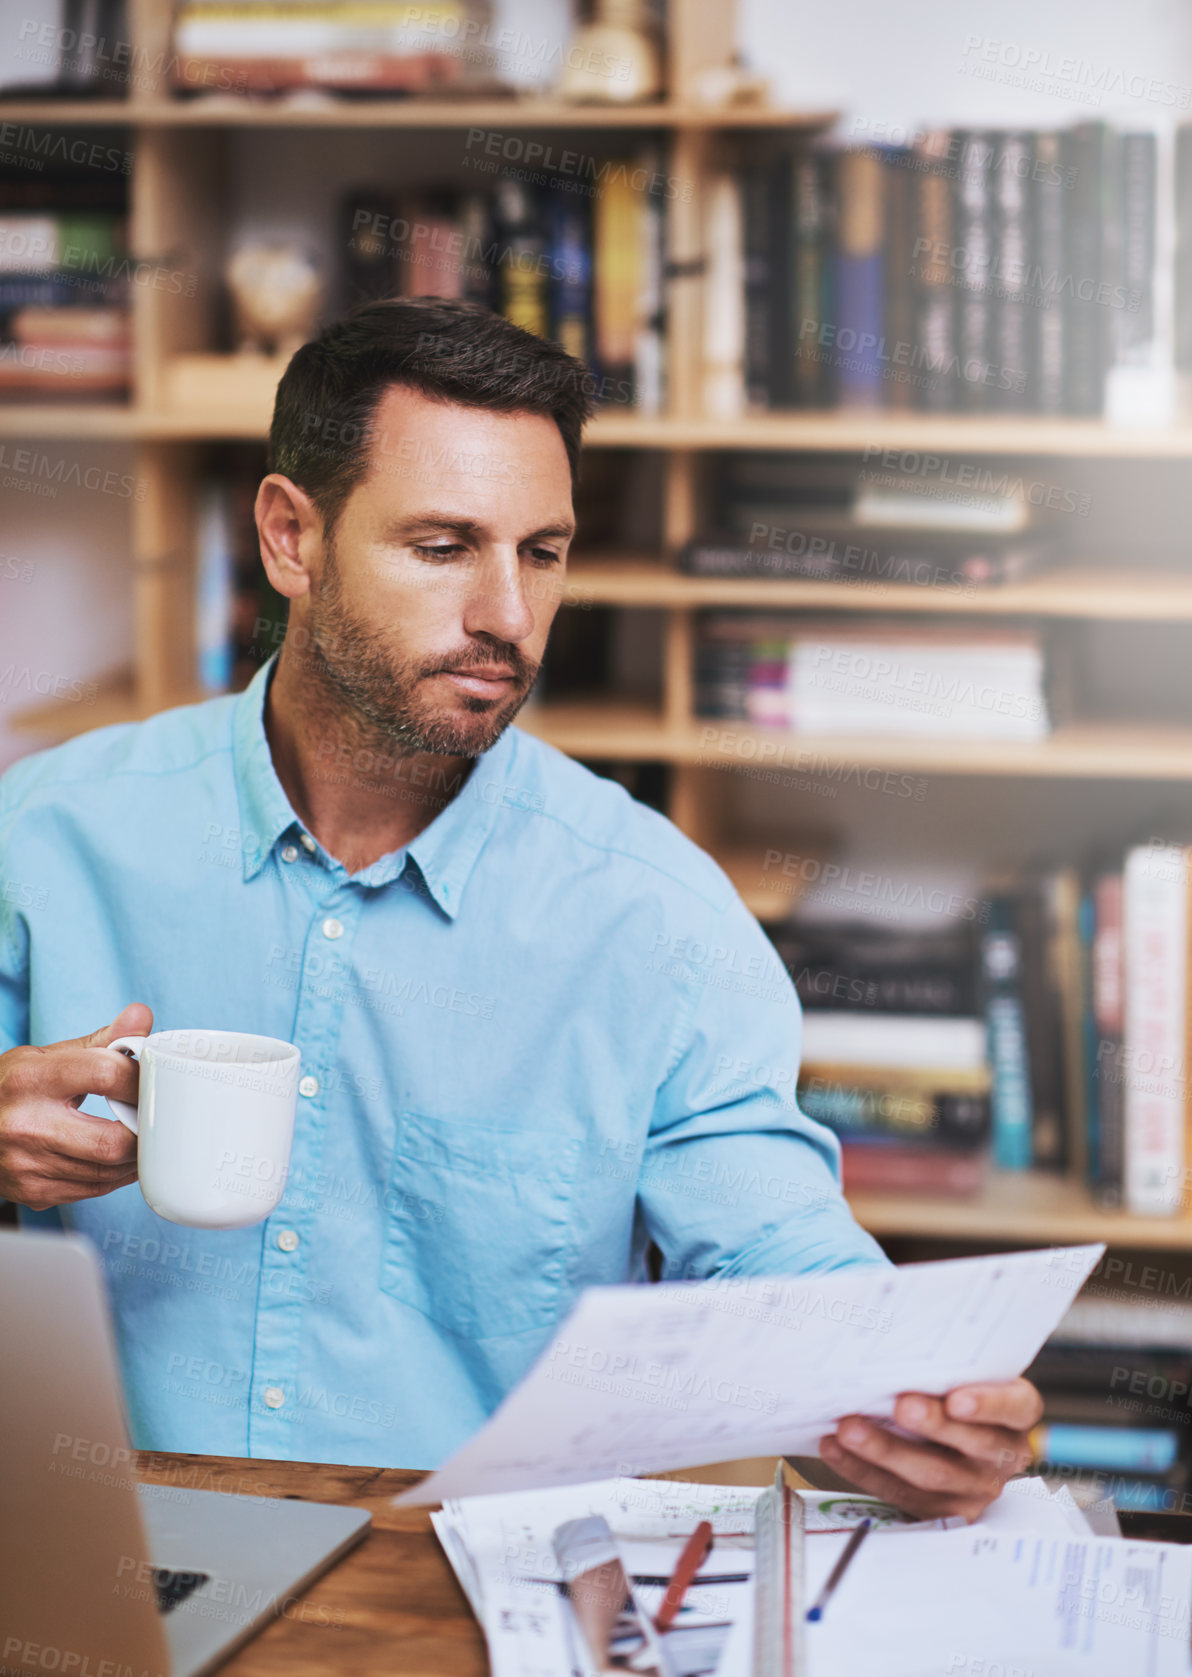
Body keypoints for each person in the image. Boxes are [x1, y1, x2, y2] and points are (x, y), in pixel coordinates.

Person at [0, 298, 1040, 1511]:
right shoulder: (46, 834)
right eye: (443, 546)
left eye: (539, 552)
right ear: (292, 537)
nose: (506, 614)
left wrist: (905, 1403)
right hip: (101, 1551)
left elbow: (774, 1246)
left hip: (462, 1592)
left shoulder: (656, 917)